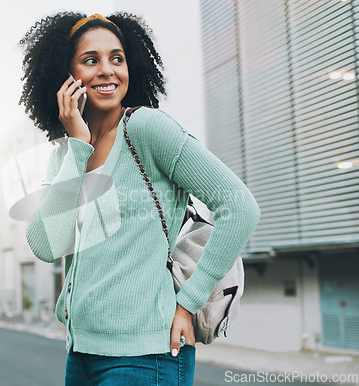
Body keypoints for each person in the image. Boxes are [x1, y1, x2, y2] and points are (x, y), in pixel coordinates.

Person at [19, 11, 260, 386]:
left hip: (148, 355)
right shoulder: (65, 154)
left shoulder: (147, 129)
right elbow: (47, 245)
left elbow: (240, 207)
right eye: (90, 60)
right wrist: (78, 148)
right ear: (65, 76)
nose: (107, 70)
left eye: (117, 58)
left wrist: (188, 303)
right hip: (81, 355)